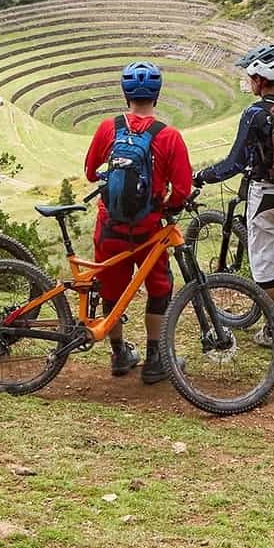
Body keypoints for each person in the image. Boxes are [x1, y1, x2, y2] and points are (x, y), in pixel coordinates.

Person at [194, 43, 274, 347]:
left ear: (259, 80)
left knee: (265, 264)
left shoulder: (255, 113)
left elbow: (234, 163)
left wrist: (202, 176)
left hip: (266, 196)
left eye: (251, 77)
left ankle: (271, 330)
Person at [82, 62, 193, 384]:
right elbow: (183, 190)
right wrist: (166, 206)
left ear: (124, 93)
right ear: (157, 95)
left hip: (110, 227)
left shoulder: (109, 127)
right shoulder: (169, 136)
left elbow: (90, 172)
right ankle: (155, 358)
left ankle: (118, 355)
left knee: (111, 291)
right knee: (159, 289)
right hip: (149, 230)